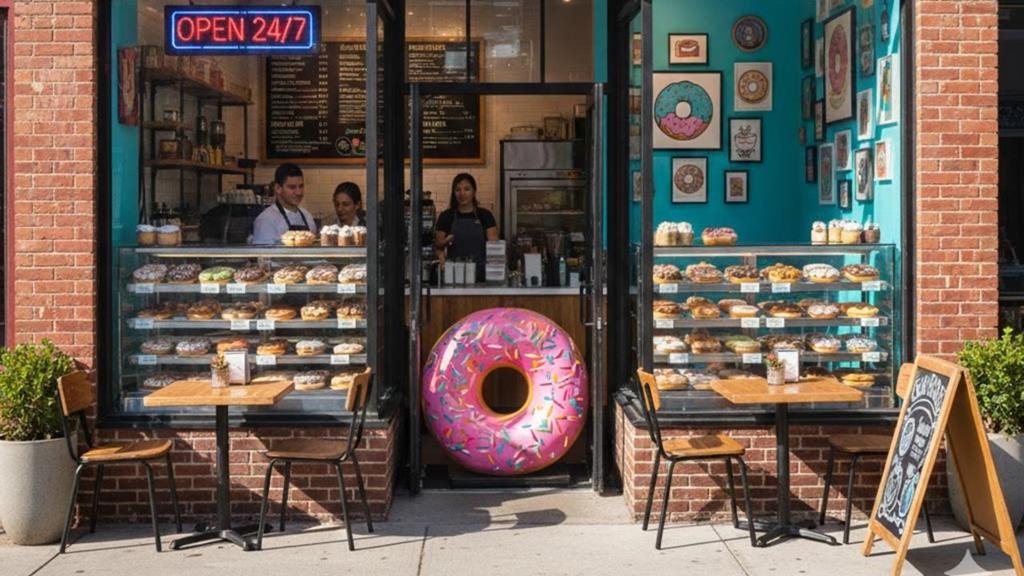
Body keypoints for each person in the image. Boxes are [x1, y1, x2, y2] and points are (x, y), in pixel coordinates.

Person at [434, 173, 498, 281]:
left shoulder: (485, 215)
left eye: (467, 189)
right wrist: (444, 244)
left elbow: (494, 247)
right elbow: (438, 246)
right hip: (454, 276)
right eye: (457, 190)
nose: (462, 194)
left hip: (481, 277)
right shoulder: (446, 216)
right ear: (454, 193)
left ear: (474, 191)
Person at [251, 163, 317, 244]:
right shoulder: (266, 220)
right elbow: (262, 251)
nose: (298, 192)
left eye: (301, 186)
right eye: (292, 187)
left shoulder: (307, 216)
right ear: (278, 188)